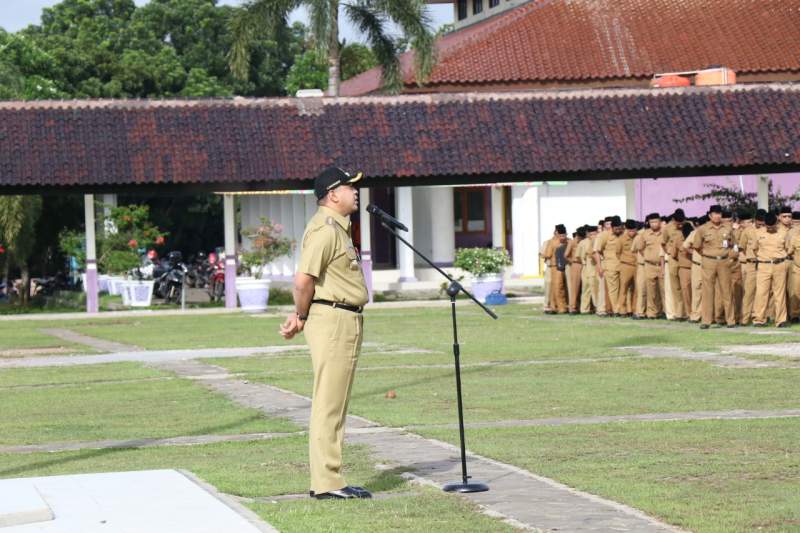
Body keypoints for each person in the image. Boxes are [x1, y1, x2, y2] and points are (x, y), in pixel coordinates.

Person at [280, 166, 372, 500]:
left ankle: (331, 478)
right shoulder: (325, 230)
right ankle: (327, 483)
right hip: (332, 319)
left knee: (335, 402)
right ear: (333, 194)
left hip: (343, 318)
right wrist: (300, 314)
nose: (356, 192)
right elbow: (303, 280)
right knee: (328, 404)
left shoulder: (339, 229)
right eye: (351, 187)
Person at [693, 205, 736, 328]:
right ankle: (706, 321)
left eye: (719, 214)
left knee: (727, 291)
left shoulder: (728, 228)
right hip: (709, 262)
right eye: (715, 214)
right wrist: (706, 255)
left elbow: (734, 244)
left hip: (724, 262)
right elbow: (696, 246)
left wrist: (731, 256)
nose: (717, 216)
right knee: (707, 291)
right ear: (710, 215)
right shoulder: (702, 229)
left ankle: (730, 320)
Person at [752, 212, 789, 327]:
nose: (770, 228)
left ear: (776, 222)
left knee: (779, 294)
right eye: (768, 226)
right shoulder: (758, 233)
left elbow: (788, 248)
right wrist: (764, 258)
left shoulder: (784, 232)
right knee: (761, 293)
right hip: (763, 265)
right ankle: (759, 319)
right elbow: (754, 249)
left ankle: (781, 320)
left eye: (772, 226)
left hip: (779, 265)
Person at [594, 216, 623, 316]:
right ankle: (616, 310)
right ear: (612, 227)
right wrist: (599, 266)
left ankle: (621, 309)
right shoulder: (604, 235)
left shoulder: (623, 234)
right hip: (610, 266)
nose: (619, 230)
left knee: (623, 289)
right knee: (613, 290)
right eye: (616, 229)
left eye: (620, 228)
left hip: (623, 266)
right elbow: (597, 251)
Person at [545, 224, 569, 314]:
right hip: (557, 267)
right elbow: (548, 254)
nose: (563, 237)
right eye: (561, 235)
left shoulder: (554, 242)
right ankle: (559, 307)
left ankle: (559, 306)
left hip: (561, 266)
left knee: (560, 287)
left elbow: (547, 254)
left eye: (564, 235)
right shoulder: (553, 242)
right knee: (558, 287)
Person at [616, 219, 638, 317]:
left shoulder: (639, 237)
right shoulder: (621, 239)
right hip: (626, 265)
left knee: (636, 289)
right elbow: (617, 252)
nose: (632, 233)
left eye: (634, 231)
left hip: (637, 266)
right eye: (630, 231)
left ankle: (634, 310)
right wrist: (624, 260)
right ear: (626, 230)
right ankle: (622, 310)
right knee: (623, 289)